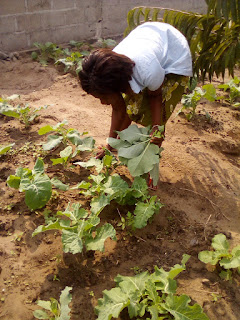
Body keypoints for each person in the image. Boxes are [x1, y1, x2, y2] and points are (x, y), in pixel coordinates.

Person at [78, 21, 192, 164]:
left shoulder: (148, 71)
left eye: (103, 97)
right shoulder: (112, 68)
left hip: (175, 55)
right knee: (131, 105)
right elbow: (119, 108)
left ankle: (151, 163)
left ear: (118, 86)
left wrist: (158, 129)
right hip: (150, 38)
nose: (102, 102)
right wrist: (110, 145)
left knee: (150, 116)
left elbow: (155, 96)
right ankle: (118, 145)